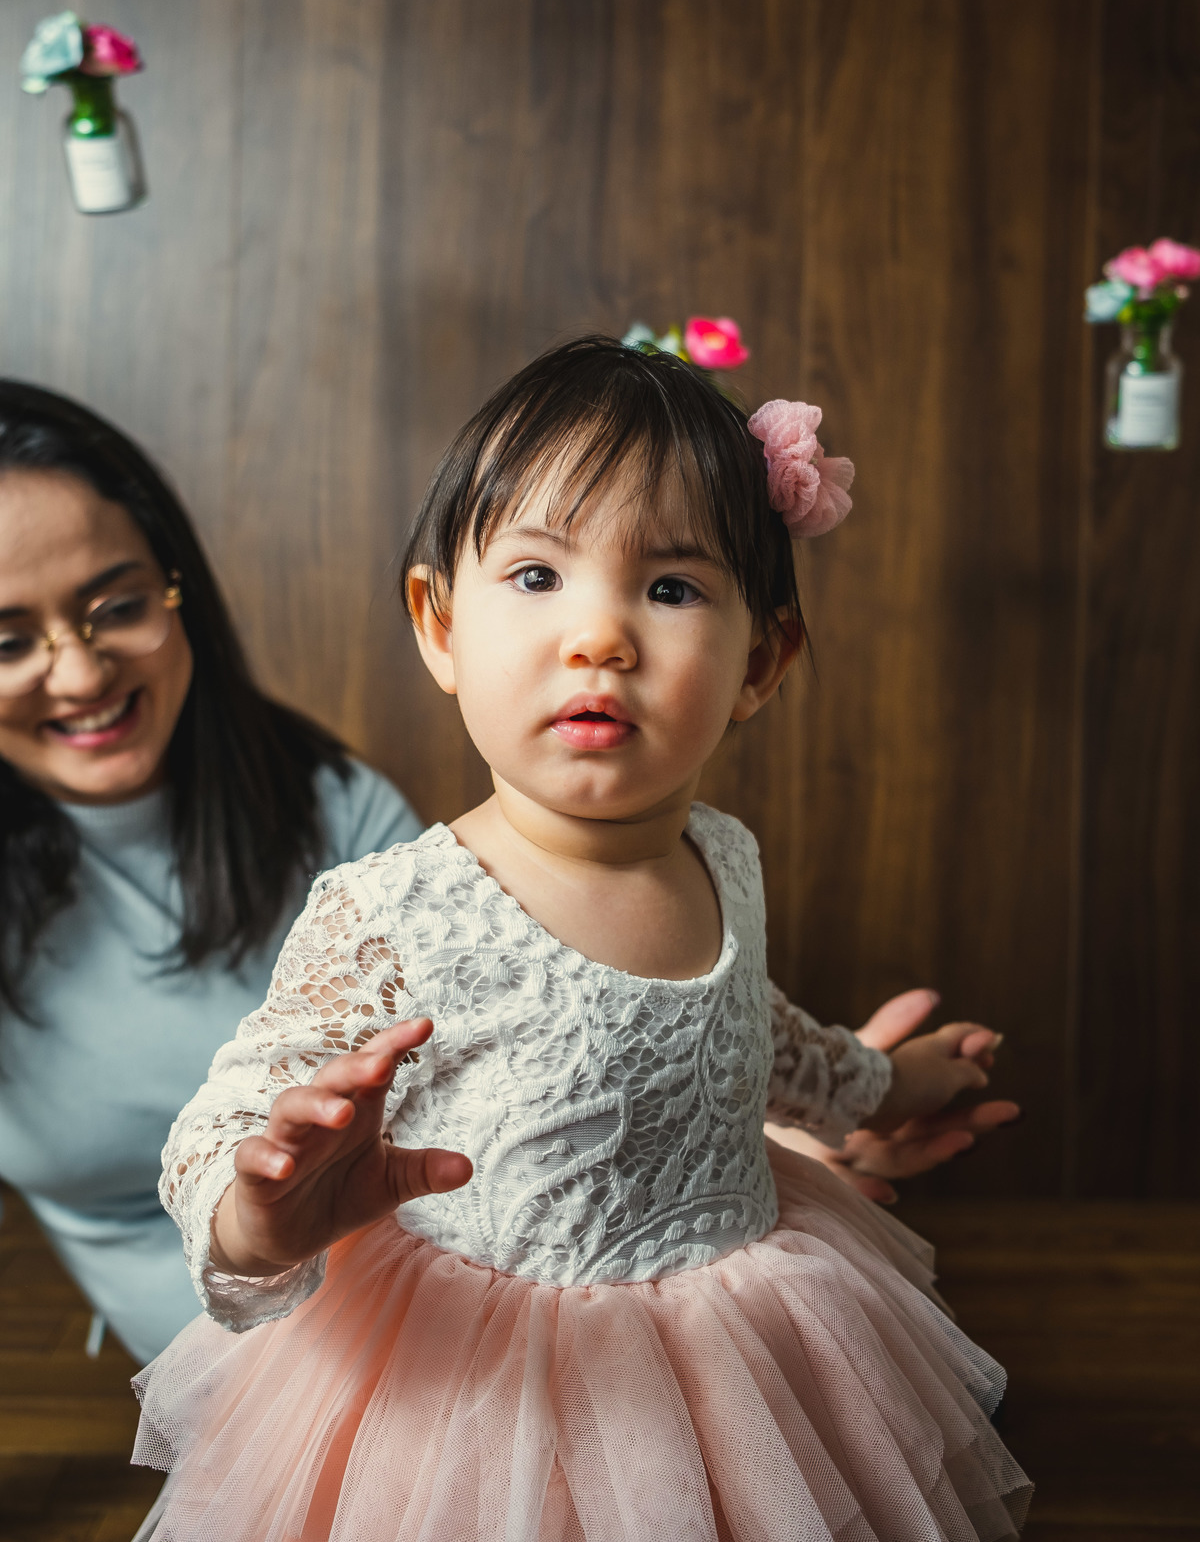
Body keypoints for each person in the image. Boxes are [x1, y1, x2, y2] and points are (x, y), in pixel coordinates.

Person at [132, 338, 1031, 1539]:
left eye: (670, 588)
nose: (599, 635)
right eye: (539, 577)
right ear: (439, 626)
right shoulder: (397, 909)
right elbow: (232, 1108)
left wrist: (880, 1084)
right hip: (488, 1390)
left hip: (736, 1351)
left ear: (760, 661)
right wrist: (257, 1208)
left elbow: (747, 1034)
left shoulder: (725, 855)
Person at [0, 382, 423, 1365]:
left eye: (117, 606)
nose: (81, 672)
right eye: (8, 640)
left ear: (176, 589)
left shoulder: (331, 804)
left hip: (445, 1283)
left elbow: (518, 1049)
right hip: (234, 1381)